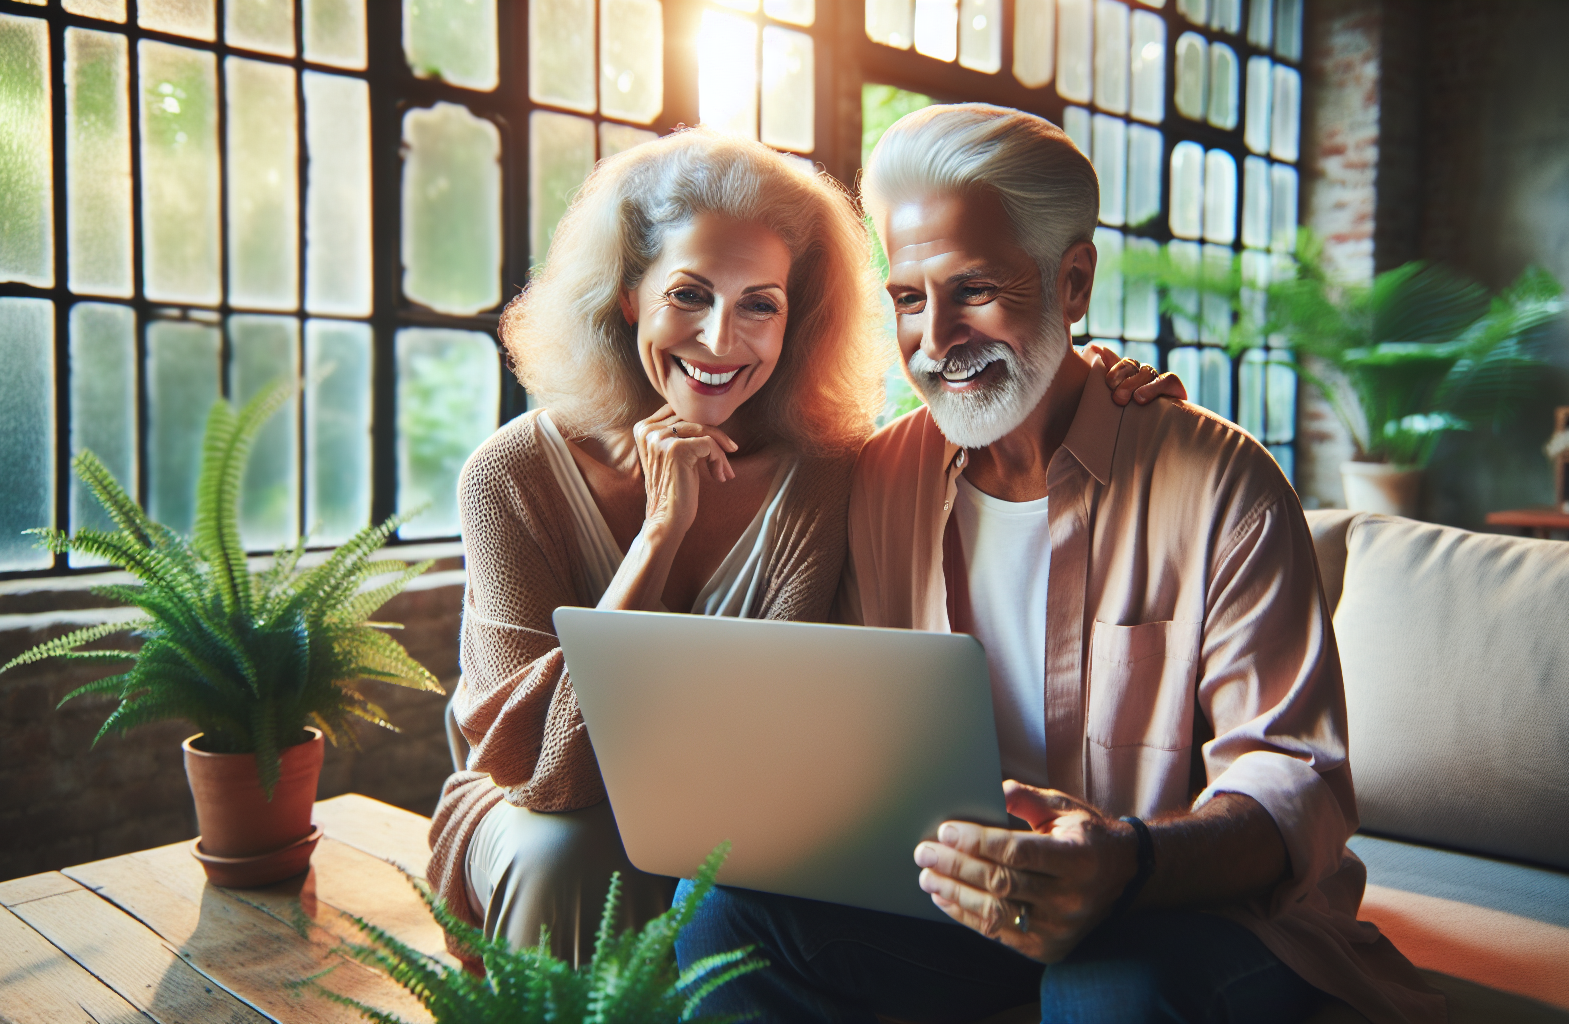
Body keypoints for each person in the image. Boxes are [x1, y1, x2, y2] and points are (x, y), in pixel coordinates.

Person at [675, 105, 1447, 1024]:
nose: (937, 339)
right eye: (910, 300)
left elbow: (1295, 785)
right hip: (968, 911)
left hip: (1197, 913)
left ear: (1072, 281)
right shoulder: (880, 478)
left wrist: (1124, 861)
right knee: (718, 916)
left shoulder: (1224, 483)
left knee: (1104, 990)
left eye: (976, 290)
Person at [426, 127, 1165, 967]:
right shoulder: (511, 475)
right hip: (529, 814)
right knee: (566, 851)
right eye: (690, 295)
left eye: (759, 305)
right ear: (630, 294)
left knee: (749, 884)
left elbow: (760, 757)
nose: (719, 342)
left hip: (720, 814)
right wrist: (659, 536)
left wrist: (1092, 372)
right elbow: (544, 776)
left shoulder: (818, 476)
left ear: (797, 317)